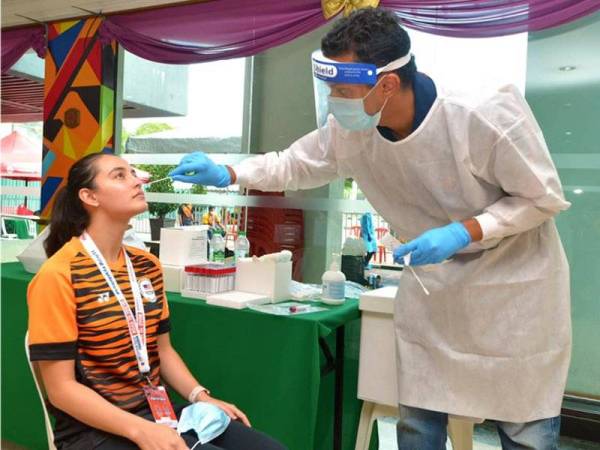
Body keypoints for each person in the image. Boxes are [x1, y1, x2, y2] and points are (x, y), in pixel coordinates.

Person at [169, 8, 572, 449]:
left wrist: (464, 231)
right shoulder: (352, 130)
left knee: (523, 429)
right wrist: (228, 172)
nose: (334, 100)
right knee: (418, 423)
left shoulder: (483, 113)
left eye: (342, 90)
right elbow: (294, 164)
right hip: (435, 292)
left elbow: (542, 196)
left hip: (513, 294)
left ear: (387, 83)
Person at [27, 153, 287, 450]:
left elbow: (162, 350)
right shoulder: (59, 274)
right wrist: (139, 431)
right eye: (120, 175)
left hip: (153, 412)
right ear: (89, 196)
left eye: (133, 173)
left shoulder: (147, 265)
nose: (137, 180)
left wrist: (201, 396)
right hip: (91, 430)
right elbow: (61, 390)